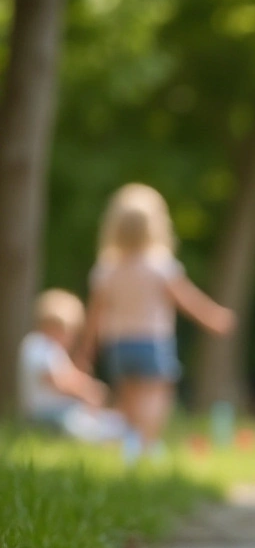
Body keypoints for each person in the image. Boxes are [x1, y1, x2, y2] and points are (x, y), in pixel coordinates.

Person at [79, 183, 236, 461]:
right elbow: (187, 300)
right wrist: (214, 318)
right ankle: (147, 445)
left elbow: (95, 314)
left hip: (118, 343)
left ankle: (130, 445)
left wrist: (87, 348)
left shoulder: (107, 269)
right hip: (152, 340)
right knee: (156, 397)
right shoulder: (160, 265)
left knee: (127, 398)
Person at [18, 289, 130, 444]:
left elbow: (68, 375)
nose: (70, 339)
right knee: (108, 429)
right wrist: (85, 392)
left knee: (115, 421)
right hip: (49, 413)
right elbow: (54, 380)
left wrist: (86, 384)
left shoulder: (50, 349)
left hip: (59, 411)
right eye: (69, 333)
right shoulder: (41, 345)